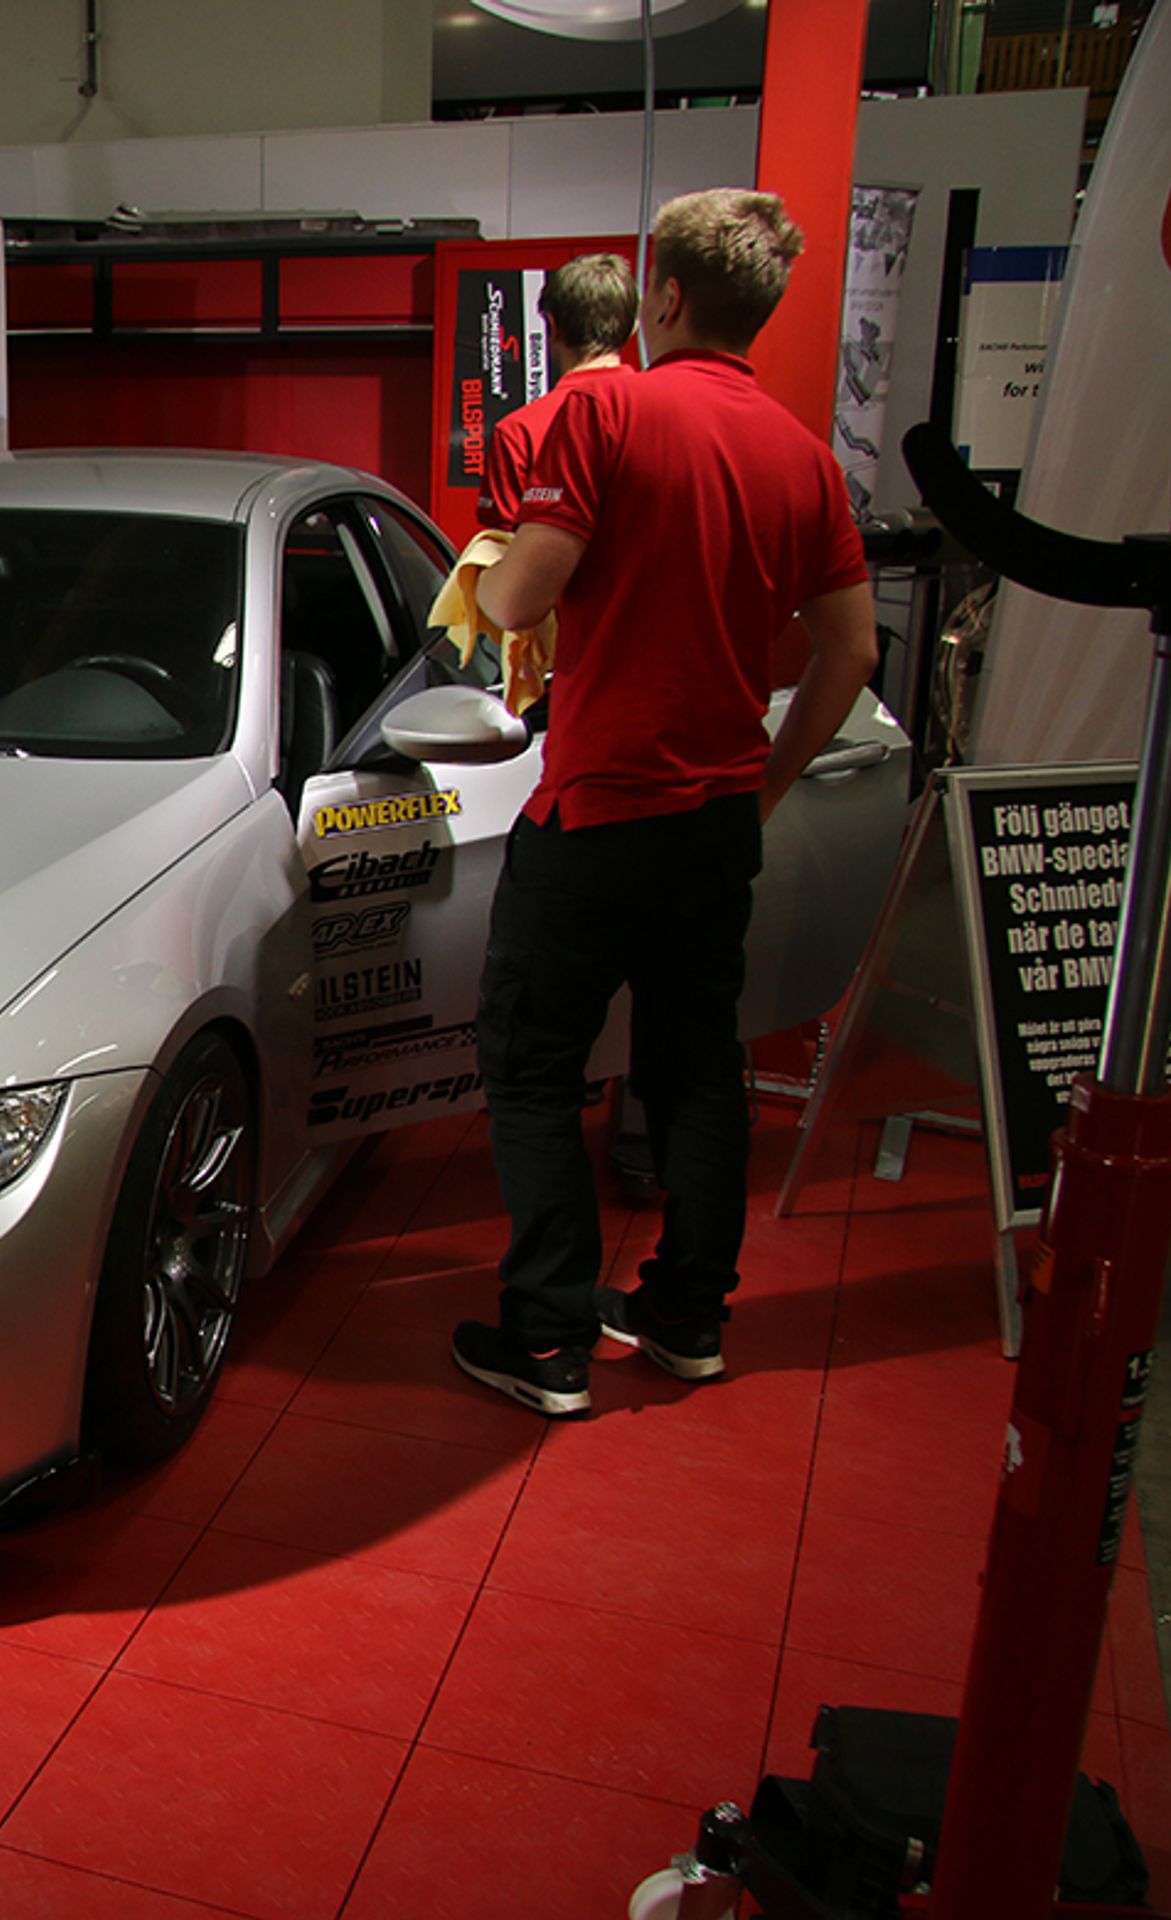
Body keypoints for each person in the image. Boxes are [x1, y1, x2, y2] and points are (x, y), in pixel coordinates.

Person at [450, 188, 879, 1419]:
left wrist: (500, 566)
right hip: (714, 821)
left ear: (669, 296)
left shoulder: (603, 408)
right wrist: (768, 775)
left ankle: (545, 1340)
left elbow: (523, 602)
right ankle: (689, 1318)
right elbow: (844, 651)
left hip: (594, 812)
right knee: (698, 1069)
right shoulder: (802, 456)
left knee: (532, 1067)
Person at [477, 252, 637, 531]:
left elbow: (504, 551)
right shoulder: (673, 414)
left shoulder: (518, 433)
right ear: (631, 328)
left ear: (552, 326)